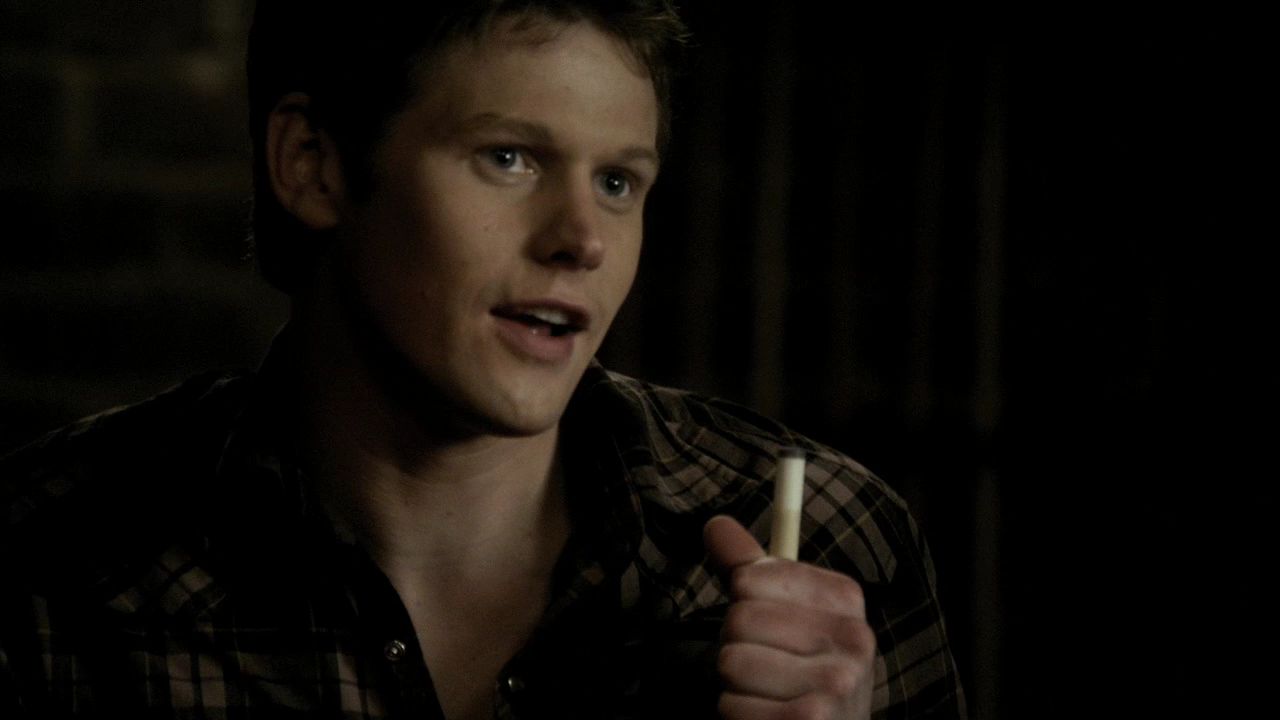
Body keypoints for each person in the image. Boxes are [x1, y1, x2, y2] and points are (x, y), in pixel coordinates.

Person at [0, 1, 967, 718]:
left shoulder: (821, 544)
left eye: (618, 181)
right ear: (313, 164)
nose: (582, 239)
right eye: (510, 158)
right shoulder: (49, 567)